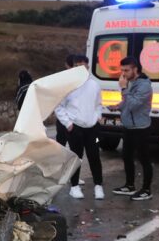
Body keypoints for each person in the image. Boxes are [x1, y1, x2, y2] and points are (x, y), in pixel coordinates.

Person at [55, 55, 104, 199]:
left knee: (94, 155)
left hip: (92, 127)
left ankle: (98, 185)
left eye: (83, 65)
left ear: (88, 66)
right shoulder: (67, 86)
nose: (80, 68)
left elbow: (98, 104)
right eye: (77, 66)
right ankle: (74, 186)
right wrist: (68, 124)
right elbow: (59, 107)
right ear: (74, 67)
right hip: (75, 127)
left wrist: (98, 116)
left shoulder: (94, 85)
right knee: (76, 157)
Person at [109, 56, 153, 201]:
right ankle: (129, 185)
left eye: (126, 70)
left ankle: (147, 189)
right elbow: (127, 102)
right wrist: (118, 106)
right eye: (122, 70)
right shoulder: (130, 82)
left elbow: (134, 104)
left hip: (140, 127)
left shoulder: (144, 85)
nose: (123, 74)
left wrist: (123, 88)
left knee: (144, 158)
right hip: (129, 126)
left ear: (136, 69)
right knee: (127, 156)